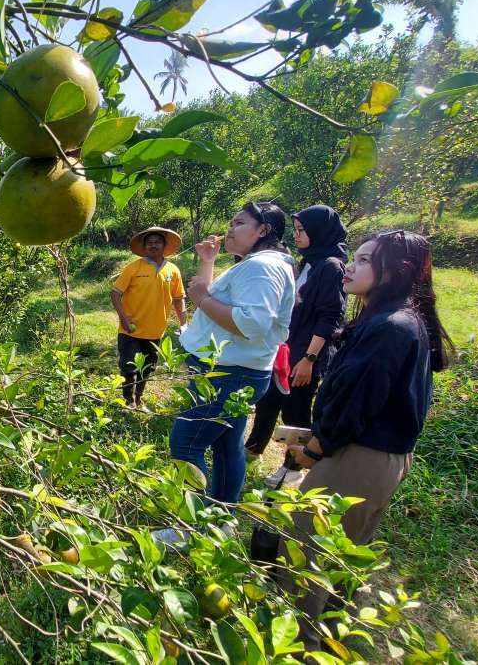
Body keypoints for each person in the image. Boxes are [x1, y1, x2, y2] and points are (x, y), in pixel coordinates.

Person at [280, 230, 453, 651]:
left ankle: (301, 648)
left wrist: (313, 450)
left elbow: (357, 403)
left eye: (363, 259)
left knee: (309, 552)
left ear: (394, 271)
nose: (350, 266)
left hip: (360, 457)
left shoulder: (390, 327)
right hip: (380, 458)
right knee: (345, 550)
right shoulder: (398, 319)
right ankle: (333, 638)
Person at [164, 202, 296, 510]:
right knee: (227, 445)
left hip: (228, 373)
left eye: (238, 223)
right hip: (236, 370)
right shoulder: (259, 264)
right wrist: (207, 262)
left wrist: (203, 298)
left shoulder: (262, 267)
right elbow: (220, 304)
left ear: (263, 229)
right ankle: (221, 516)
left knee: (186, 444)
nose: (229, 230)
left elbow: (250, 322)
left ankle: (187, 525)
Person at [244, 205, 348, 487]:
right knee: (268, 403)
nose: (298, 236)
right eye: (297, 230)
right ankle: (252, 450)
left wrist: (309, 359)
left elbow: (330, 317)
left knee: (296, 412)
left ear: (319, 232)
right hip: (288, 350)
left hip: (306, 355)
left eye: (303, 231)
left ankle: (293, 467)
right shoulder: (308, 263)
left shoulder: (331, 267)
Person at [110, 227, 187, 408]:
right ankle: (128, 403)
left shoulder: (173, 270)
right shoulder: (133, 268)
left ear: (164, 245)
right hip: (130, 330)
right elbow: (115, 293)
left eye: (157, 242)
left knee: (147, 370)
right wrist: (124, 318)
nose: (153, 245)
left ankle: (138, 398)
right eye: (149, 242)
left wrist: (184, 323)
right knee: (129, 369)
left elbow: (179, 299)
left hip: (155, 331)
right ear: (144, 246)